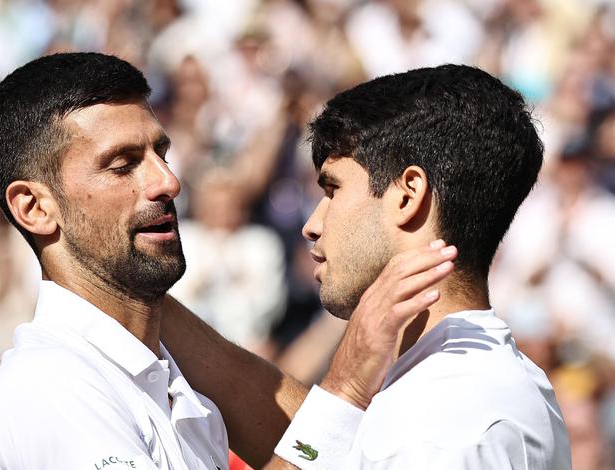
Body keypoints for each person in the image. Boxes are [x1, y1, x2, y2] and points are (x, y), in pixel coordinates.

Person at [0, 52, 456, 470]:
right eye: (122, 164)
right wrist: (344, 387)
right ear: (35, 207)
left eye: (161, 152)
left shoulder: (170, 378)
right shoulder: (48, 392)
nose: (167, 182)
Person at [160, 65, 572, 469]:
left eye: (333, 189)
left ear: (407, 195)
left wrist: (345, 389)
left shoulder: (437, 425)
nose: (312, 225)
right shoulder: (472, 385)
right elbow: (264, 403)